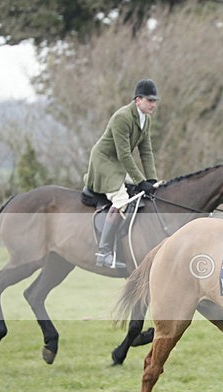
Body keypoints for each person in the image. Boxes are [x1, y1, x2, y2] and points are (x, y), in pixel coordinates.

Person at [84, 78, 160, 269]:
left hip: (118, 164)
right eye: (149, 100)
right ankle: (104, 252)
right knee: (121, 200)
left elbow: (146, 151)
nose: (153, 104)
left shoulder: (146, 120)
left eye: (154, 100)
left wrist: (151, 179)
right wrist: (140, 180)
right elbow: (123, 153)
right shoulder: (122, 117)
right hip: (104, 162)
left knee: (140, 193)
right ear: (138, 100)